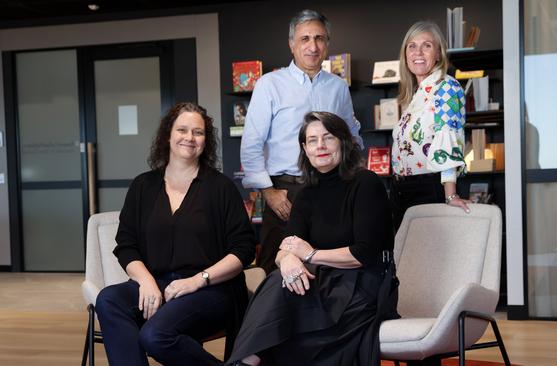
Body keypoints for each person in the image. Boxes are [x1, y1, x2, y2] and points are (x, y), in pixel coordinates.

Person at [228, 112, 396, 366]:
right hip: (323, 282)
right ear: (304, 149)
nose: (320, 146)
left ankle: (244, 362)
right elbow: (287, 246)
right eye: (312, 140)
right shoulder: (306, 193)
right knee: (280, 278)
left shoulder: (366, 183)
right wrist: (286, 261)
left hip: (364, 285)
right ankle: (245, 362)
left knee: (283, 304)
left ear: (343, 142)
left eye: (328, 138)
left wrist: (309, 255)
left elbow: (364, 254)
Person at [95, 102, 257, 366]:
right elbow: (126, 245)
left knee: (155, 335)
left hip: (212, 290)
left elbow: (243, 250)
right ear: (167, 134)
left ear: (206, 140)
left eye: (198, 132)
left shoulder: (221, 187)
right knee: (109, 299)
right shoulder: (143, 186)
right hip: (158, 284)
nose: (189, 138)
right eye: (182, 129)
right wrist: (146, 281)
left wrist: (197, 280)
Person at [240, 9, 362, 274]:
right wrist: (269, 192)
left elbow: (351, 136)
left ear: (327, 43)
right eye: (304, 38)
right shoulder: (269, 84)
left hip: (332, 189)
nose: (313, 46)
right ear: (291, 44)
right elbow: (251, 143)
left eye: (319, 38)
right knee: (278, 267)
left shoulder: (338, 87)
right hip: (286, 192)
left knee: (326, 265)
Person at [391, 20, 471, 230]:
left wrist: (450, 194)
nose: (418, 52)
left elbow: (448, 137)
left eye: (426, 45)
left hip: (429, 187)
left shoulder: (446, 87)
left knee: (428, 259)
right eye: (412, 46)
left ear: (438, 54)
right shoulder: (417, 95)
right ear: (405, 53)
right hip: (403, 189)